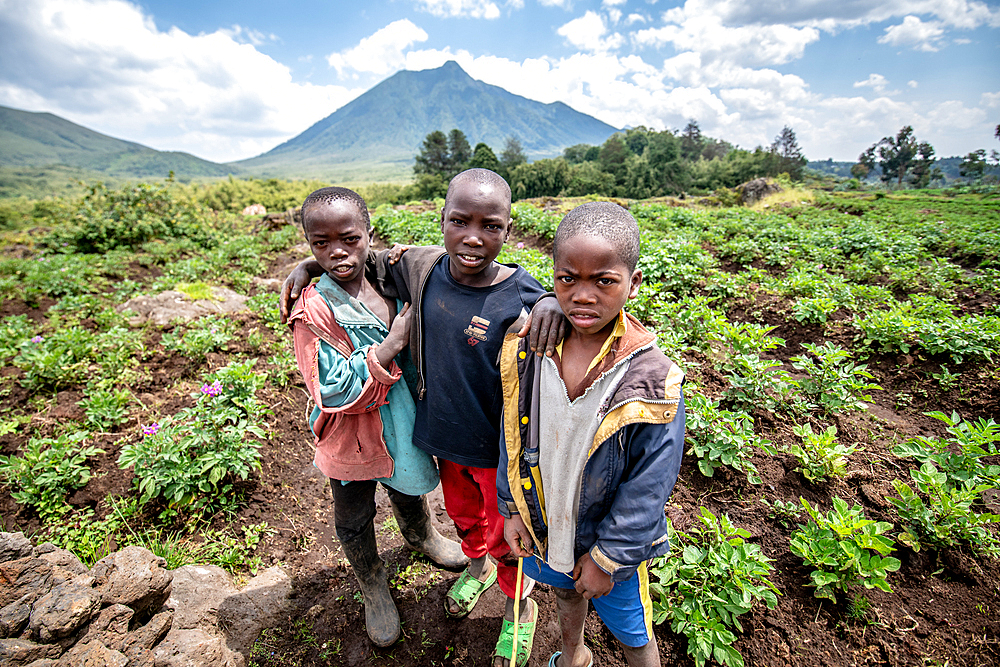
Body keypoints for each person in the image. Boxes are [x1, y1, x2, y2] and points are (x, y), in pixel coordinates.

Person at [281, 169, 566, 667]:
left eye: (491, 226)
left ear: (508, 227)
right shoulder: (423, 268)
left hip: (495, 448)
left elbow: (557, 302)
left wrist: (549, 302)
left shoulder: (520, 292)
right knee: (462, 517)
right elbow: (356, 254)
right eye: (460, 221)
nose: (473, 237)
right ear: (442, 221)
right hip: (437, 438)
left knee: (508, 534)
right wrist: (309, 265)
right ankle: (469, 569)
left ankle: (519, 606)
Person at [497, 201, 686, 667]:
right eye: (568, 279)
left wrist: (608, 557)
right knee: (564, 593)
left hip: (608, 540)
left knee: (632, 632)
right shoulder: (530, 351)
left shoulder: (652, 382)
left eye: (604, 281)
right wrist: (512, 508)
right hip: (546, 522)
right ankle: (574, 655)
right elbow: (512, 435)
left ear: (633, 283)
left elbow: (650, 484)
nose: (583, 295)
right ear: (554, 276)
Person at [286, 186, 466, 648]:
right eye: (319, 243)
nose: (336, 252)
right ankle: (371, 581)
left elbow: (446, 256)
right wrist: (390, 345)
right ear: (306, 241)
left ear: (370, 232)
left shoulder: (389, 275)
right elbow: (330, 389)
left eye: (348, 237)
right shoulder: (314, 309)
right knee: (352, 511)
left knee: (407, 484)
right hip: (352, 433)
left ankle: (421, 535)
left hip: (401, 420)